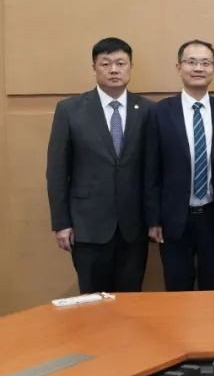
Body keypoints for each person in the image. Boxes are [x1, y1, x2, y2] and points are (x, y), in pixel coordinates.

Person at [46, 37, 153, 293]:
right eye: (105, 64)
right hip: (87, 226)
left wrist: (154, 219)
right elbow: (57, 171)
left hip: (134, 226)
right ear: (94, 67)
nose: (114, 70)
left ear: (130, 67)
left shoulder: (148, 110)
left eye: (120, 63)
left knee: (130, 299)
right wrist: (61, 223)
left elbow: (153, 171)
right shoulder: (70, 110)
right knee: (92, 301)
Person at [144, 40, 214, 291]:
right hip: (173, 219)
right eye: (191, 62)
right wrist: (153, 219)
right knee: (177, 289)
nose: (198, 68)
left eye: (205, 63)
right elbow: (150, 169)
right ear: (179, 67)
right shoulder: (159, 112)